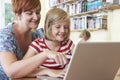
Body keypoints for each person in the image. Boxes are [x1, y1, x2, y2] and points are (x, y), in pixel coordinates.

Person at [0, 0, 69, 80]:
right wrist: (45, 56)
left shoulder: (38, 35)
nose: (36, 17)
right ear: (18, 15)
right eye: (29, 13)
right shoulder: (5, 35)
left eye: (38, 12)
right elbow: (11, 73)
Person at [23, 7, 75, 78]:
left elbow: (81, 61)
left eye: (65, 27)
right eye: (58, 27)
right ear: (49, 27)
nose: (63, 30)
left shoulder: (68, 43)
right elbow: (23, 69)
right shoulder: (37, 45)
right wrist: (47, 71)